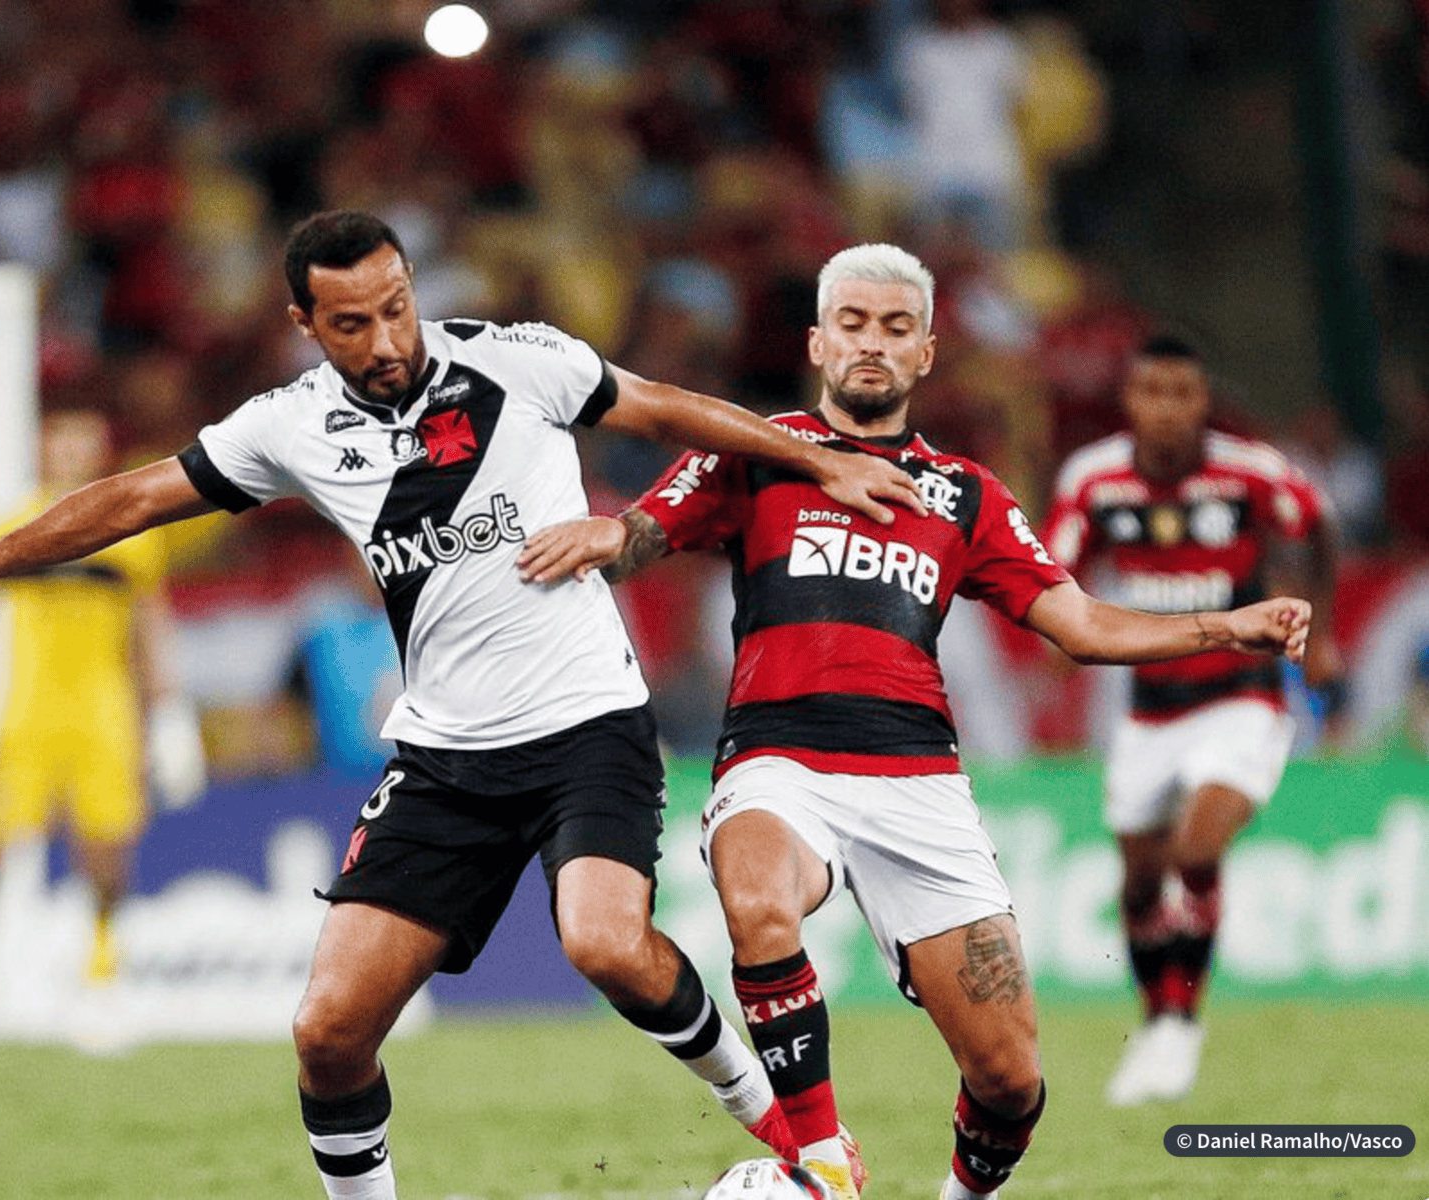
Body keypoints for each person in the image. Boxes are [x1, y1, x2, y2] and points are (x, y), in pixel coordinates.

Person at [0, 210, 928, 1199]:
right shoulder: (291, 425)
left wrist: (816, 459)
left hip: (587, 725)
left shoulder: (516, 362)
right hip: (444, 756)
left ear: (411, 286)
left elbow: (660, 406)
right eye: (351, 323)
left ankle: (777, 1122)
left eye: (394, 308)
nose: (384, 340)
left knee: (604, 942)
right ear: (304, 323)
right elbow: (134, 497)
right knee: (327, 1032)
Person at [516, 243, 1310, 1200]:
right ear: (818, 341)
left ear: (926, 353)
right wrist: (613, 535)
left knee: (1010, 1081)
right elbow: (646, 532)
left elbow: (1083, 626)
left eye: (896, 328)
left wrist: (1228, 624)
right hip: (777, 760)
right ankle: (822, 1166)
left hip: (917, 780)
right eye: (852, 324)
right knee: (758, 897)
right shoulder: (758, 452)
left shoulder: (966, 494)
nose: (872, 344)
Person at [1043, 334, 1342, 1106]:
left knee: (1197, 844)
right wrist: (1056, 640)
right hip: (1149, 712)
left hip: (1242, 699)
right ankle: (1155, 1021)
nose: (1168, 409)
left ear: (1204, 401)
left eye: (1183, 393)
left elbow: (1319, 526)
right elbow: (1052, 573)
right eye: (1153, 392)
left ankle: (1182, 1021)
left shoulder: (1250, 472)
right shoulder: (1095, 480)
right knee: (1140, 882)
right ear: (1130, 400)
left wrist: (1322, 635)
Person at [0, 408, 200, 999]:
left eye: (86, 444)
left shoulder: (132, 533)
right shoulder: (12, 525)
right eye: (64, 442)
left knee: (106, 845)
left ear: (100, 453)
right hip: (25, 707)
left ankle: (102, 970)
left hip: (103, 710)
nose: (73, 454)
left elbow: (150, 626)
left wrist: (170, 714)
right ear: (44, 448)